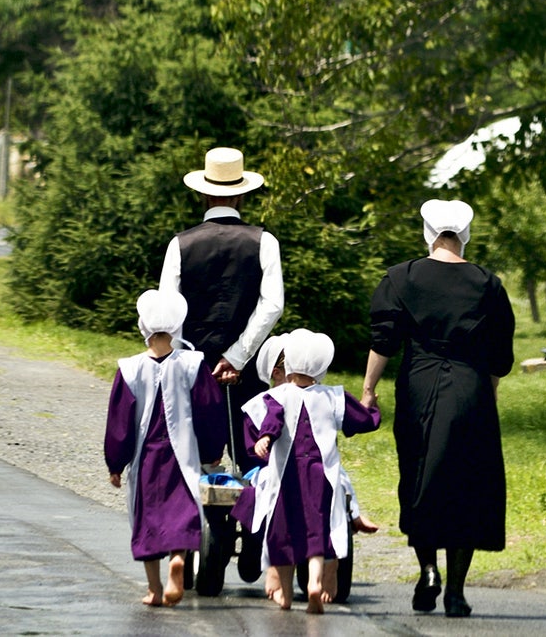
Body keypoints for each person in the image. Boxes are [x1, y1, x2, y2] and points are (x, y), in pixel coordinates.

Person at [361, 199, 516, 618]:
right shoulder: (488, 284)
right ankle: (456, 591)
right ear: (465, 235)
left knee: (418, 475)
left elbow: (384, 341)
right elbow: (500, 354)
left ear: (428, 233)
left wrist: (369, 389)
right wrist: (490, 393)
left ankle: (428, 569)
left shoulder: (399, 278)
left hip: (419, 384)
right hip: (471, 387)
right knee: (466, 483)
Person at [159, 147, 284, 473]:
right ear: (242, 196)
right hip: (248, 368)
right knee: (255, 456)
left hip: (195, 368)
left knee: (200, 459)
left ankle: (214, 524)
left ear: (202, 192)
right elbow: (272, 305)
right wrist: (237, 356)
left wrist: (188, 364)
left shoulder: (180, 245)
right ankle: (254, 523)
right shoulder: (265, 241)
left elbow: (168, 313)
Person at [231, 333, 379, 605]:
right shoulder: (332, 396)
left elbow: (267, 426)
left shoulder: (275, 398)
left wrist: (264, 438)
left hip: (284, 474)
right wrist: (371, 408)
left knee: (282, 527)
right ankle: (315, 578)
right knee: (321, 522)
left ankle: (284, 588)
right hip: (317, 474)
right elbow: (362, 420)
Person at [104, 289, 227, 607]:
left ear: (143, 327)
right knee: (181, 512)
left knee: (149, 519)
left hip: (147, 457)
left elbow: (120, 421)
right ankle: (178, 559)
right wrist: (212, 449)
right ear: (176, 327)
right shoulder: (192, 364)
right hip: (181, 457)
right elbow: (209, 409)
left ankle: (154, 588)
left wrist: (115, 463)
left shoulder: (129, 369)